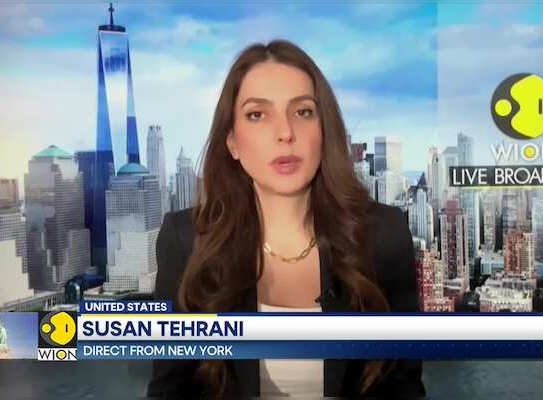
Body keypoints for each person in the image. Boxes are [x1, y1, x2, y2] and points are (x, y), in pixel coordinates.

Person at [148, 39, 425, 399]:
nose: (285, 133)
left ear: (324, 132)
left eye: (303, 112)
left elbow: (403, 387)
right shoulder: (185, 240)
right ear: (232, 142)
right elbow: (169, 389)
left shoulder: (383, 236)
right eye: (257, 115)